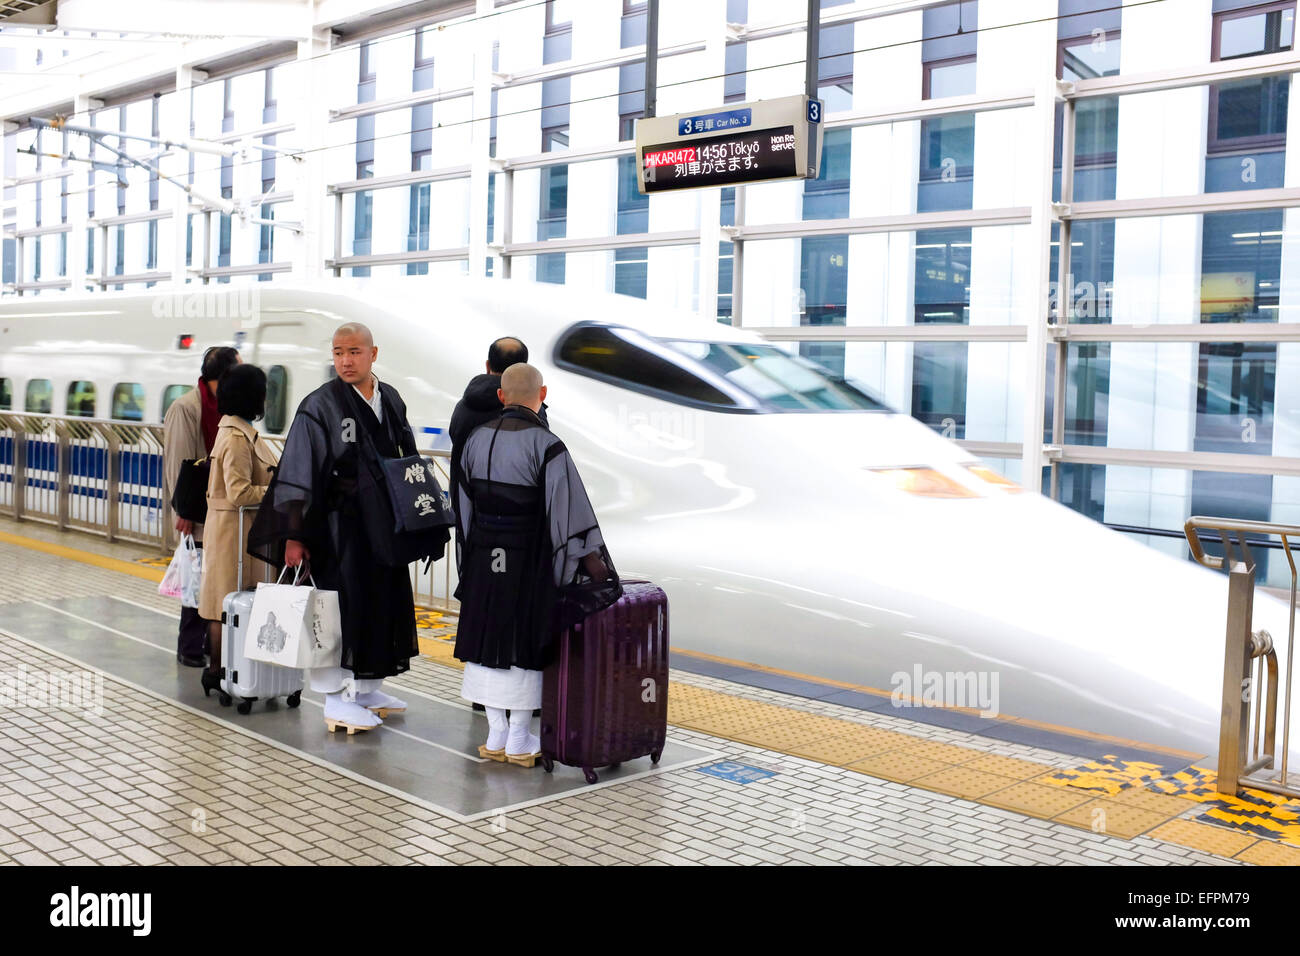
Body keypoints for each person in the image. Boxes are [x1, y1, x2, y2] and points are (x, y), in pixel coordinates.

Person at [247, 323, 422, 735]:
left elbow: (406, 457)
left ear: (373, 354)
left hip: (383, 527)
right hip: (336, 527)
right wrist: (295, 535)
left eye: (355, 351)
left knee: (381, 604)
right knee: (335, 610)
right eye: (339, 352)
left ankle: (366, 689)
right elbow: (297, 472)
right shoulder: (319, 405)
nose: (345, 360)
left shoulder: (390, 399)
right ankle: (333, 701)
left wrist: (419, 515)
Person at [454, 363, 612, 765]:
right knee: (521, 641)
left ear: (501, 396)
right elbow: (567, 516)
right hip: (528, 560)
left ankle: (495, 735)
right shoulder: (548, 446)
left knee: (486, 639)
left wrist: (472, 562)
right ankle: (521, 738)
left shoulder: (474, 440)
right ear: (542, 394)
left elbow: (464, 508)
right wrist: (585, 567)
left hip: (483, 557)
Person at [448, 336, 546, 713]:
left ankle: (484, 698)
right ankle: (519, 705)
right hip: (521, 536)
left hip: (476, 523)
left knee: (482, 607)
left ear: (488, 366)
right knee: (519, 614)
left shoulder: (464, 408)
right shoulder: (531, 418)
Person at [197, 364, 279, 698]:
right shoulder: (235, 438)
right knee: (224, 604)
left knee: (228, 601)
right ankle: (217, 671)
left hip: (237, 531)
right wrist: (278, 490)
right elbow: (240, 492)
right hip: (233, 532)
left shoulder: (237, 432)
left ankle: (227, 671)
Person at [163, 345, 241, 667]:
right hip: (193, 510)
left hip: (218, 509)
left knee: (213, 577)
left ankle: (210, 643)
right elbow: (178, 463)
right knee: (196, 580)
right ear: (221, 376)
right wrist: (184, 512)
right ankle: (189, 647)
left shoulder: (226, 407)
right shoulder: (187, 408)